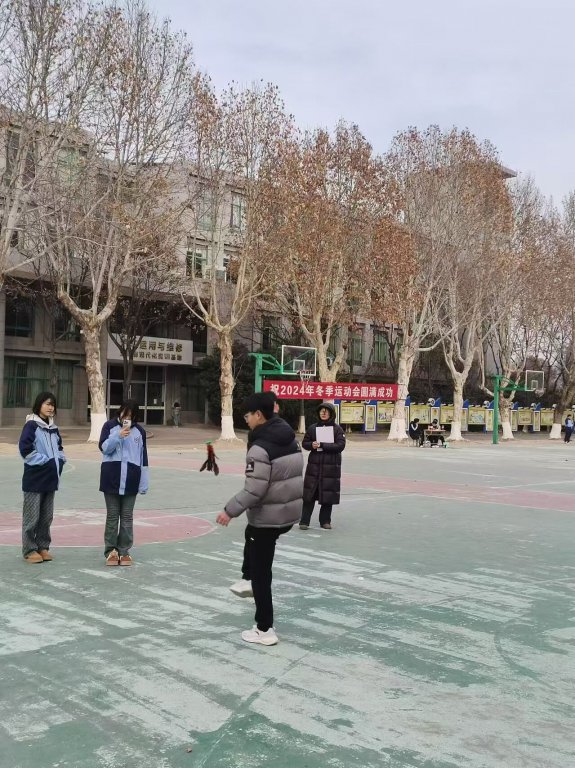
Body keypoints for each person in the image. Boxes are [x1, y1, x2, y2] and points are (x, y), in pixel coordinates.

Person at [216, 393, 303, 646]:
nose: (246, 420)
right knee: (251, 536)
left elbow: (254, 490)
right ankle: (247, 579)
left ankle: (265, 629)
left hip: (269, 516)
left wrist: (229, 511)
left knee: (262, 574)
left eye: (247, 416)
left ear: (258, 415)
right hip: (287, 513)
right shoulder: (290, 438)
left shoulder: (260, 448)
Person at [99, 399, 149, 566]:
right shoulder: (109, 426)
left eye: (131, 415)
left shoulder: (140, 432)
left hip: (131, 480)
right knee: (112, 516)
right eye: (125, 414)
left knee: (127, 517)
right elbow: (104, 448)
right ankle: (111, 551)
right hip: (111, 478)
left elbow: (143, 458)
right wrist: (118, 436)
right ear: (120, 412)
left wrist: (143, 483)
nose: (127, 418)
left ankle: (124, 551)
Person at [18, 392, 66, 563]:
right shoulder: (31, 426)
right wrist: (46, 462)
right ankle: (29, 549)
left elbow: (59, 448)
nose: (50, 407)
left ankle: (43, 547)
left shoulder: (53, 428)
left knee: (46, 517)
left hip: (50, 480)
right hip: (35, 479)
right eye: (47, 404)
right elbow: (25, 450)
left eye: (52, 404)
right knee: (32, 517)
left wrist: (61, 461)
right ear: (39, 405)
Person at [300, 402, 346, 530]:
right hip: (314, 467)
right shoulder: (313, 428)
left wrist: (323, 445)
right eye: (321, 411)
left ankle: (325, 521)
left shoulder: (338, 429)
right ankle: (304, 521)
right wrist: (311, 445)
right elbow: (305, 443)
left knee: (328, 495)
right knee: (309, 495)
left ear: (331, 414)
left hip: (331, 468)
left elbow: (340, 445)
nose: (323, 413)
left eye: (326, 411)